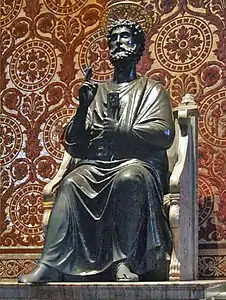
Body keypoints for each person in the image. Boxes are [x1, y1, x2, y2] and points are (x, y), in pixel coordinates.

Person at [19, 19, 175, 283]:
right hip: (97, 165)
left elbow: (165, 134)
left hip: (138, 164)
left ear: (137, 47)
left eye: (125, 37)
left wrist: (121, 131)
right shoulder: (97, 91)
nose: (118, 42)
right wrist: (83, 107)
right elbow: (75, 144)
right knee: (70, 183)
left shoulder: (152, 90)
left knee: (129, 179)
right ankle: (51, 264)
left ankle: (123, 262)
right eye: (113, 38)